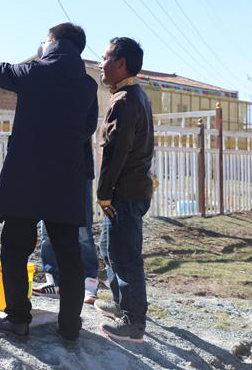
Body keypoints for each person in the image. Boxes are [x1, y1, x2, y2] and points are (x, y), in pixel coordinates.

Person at [0, 23, 98, 342]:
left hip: (26, 180)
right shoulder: (88, 86)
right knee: (69, 255)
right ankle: (69, 326)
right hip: (65, 182)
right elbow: (88, 127)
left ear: (53, 42)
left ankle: (19, 319)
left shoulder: (34, 71)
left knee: (14, 249)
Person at [93, 37, 154, 343]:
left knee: (126, 256)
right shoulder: (133, 96)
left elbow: (116, 153)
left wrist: (103, 193)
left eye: (104, 59)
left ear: (120, 63)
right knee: (110, 248)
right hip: (130, 190)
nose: (99, 65)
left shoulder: (126, 101)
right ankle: (121, 304)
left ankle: (134, 322)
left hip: (124, 193)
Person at [33, 174, 99, 304]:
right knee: (47, 230)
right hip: (48, 170)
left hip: (78, 170)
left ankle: (89, 285)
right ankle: (54, 282)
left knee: (82, 232)